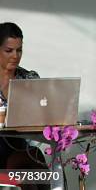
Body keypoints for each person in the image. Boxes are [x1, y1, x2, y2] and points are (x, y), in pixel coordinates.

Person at [0, 22, 48, 190]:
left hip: (21, 151)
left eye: (19, 50)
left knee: (38, 164)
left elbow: (44, 111)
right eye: (9, 50)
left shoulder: (29, 79)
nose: (15, 56)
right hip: (7, 153)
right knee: (26, 176)